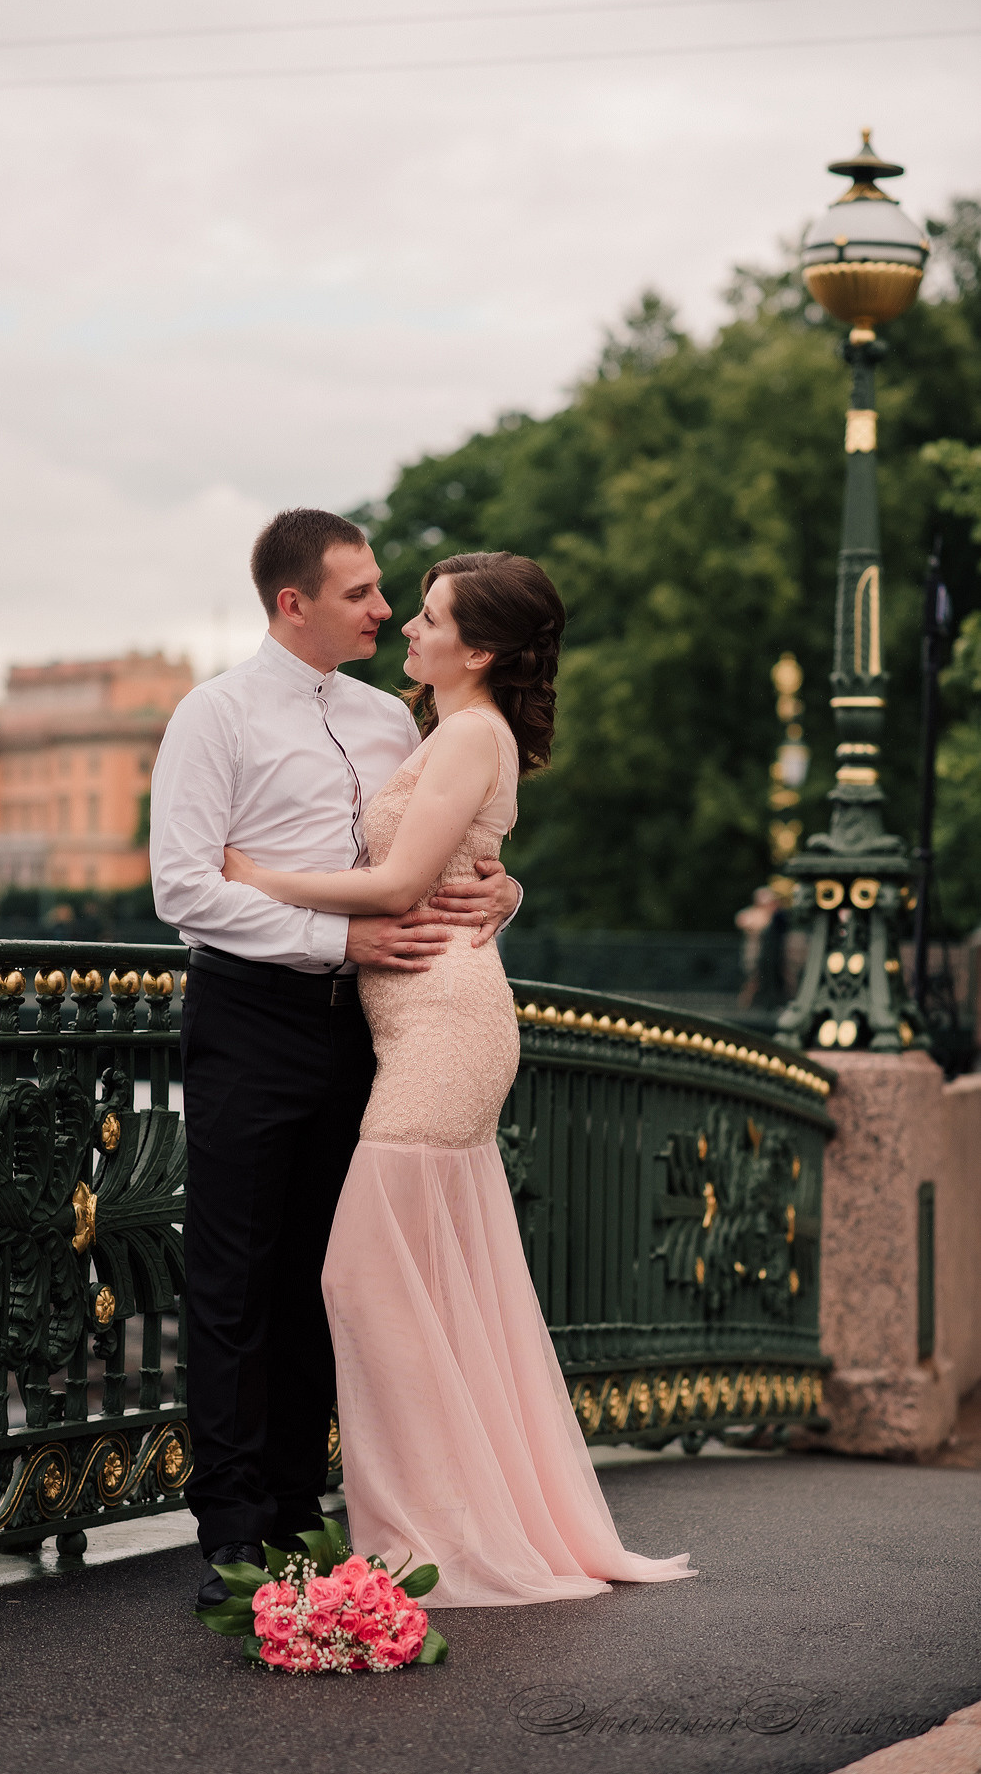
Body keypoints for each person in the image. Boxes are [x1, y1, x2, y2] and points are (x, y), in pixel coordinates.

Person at [223, 551, 695, 1606]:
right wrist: (506, 886)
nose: (406, 630)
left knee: (359, 1276)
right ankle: (457, 1518)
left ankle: (420, 1535)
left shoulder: (468, 734)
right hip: (432, 1018)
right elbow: (450, 864)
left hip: (444, 1028)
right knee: (435, 1284)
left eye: (427, 618)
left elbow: (395, 882)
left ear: (475, 649)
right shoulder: (450, 732)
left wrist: (250, 875)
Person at [150, 510, 522, 1609]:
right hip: (250, 1014)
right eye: (359, 593)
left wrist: (504, 887)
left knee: (326, 1270)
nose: (380, 608)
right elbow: (184, 887)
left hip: (367, 1024)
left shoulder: (391, 722)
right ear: (291, 603)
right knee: (233, 1276)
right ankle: (229, 1525)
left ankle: (299, 1502)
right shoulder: (209, 717)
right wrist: (333, 937)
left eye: (384, 594)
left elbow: (438, 844)